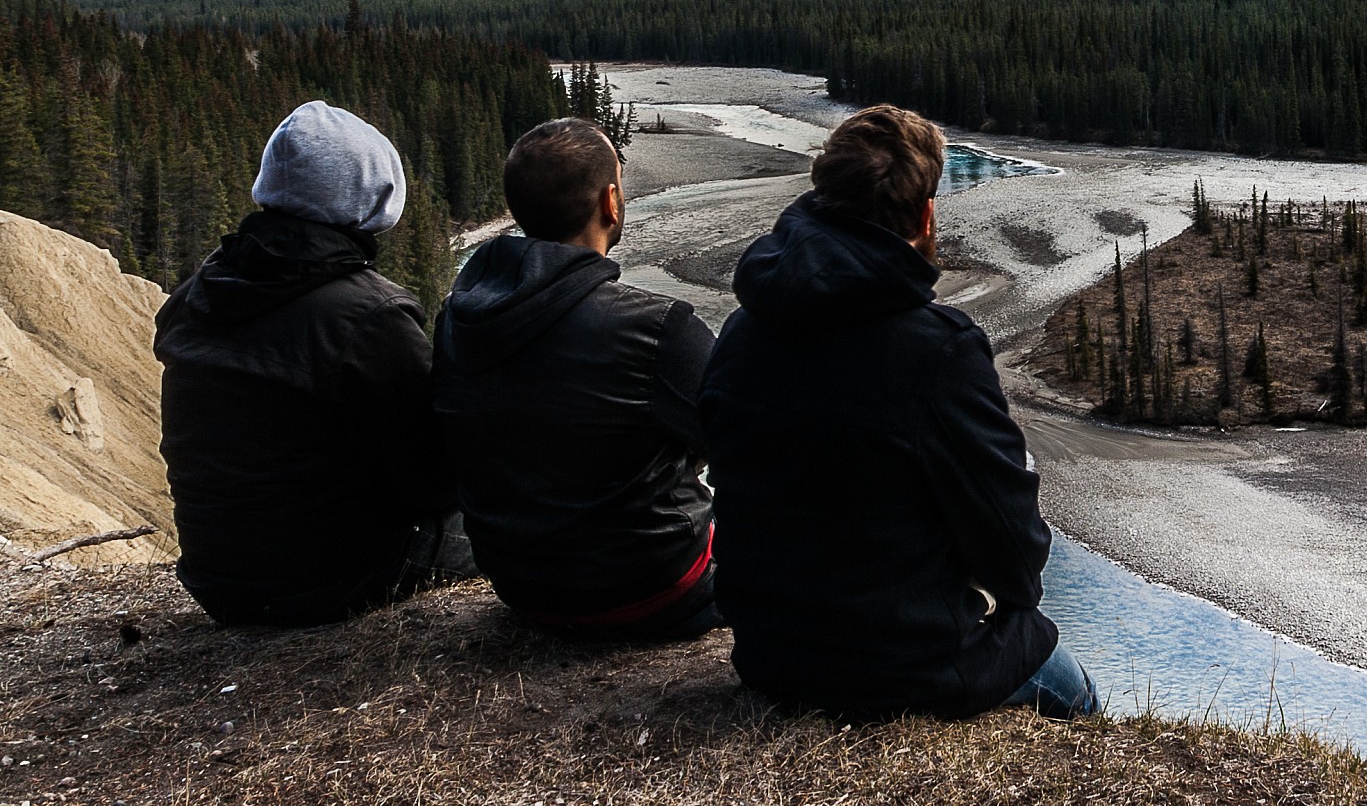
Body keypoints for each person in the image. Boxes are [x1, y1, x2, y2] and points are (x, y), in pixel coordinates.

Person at [703, 104, 1093, 720]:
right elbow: (1008, 535)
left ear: (820, 200)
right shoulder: (939, 351)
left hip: (768, 653)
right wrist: (1018, 601)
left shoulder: (740, 330)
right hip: (904, 667)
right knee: (1072, 685)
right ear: (926, 214)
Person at [155, 101, 467, 627]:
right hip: (327, 584)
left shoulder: (197, 293)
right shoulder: (369, 316)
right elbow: (432, 481)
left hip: (217, 582)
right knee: (504, 522)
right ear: (376, 199)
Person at [432, 117, 718, 639]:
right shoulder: (658, 327)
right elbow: (741, 435)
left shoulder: (457, 317)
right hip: (652, 589)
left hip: (522, 588)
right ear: (611, 202)